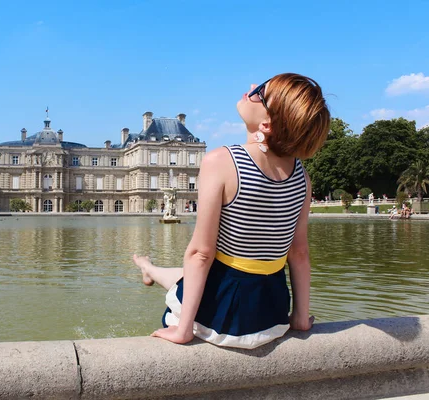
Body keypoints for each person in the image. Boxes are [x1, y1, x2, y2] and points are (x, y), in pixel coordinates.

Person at [133, 73, 330, 349]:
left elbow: (201, 254)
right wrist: (298, 318)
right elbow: (298, 253)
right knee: (181, 277)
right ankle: (148, 267)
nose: (251, 88)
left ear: (266, 124)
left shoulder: (222, 161)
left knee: (187, 277)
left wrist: (183, 329)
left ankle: (148, 268)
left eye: (259, 92)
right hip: (270, 313)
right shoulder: (302, 177)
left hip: (223, 314)